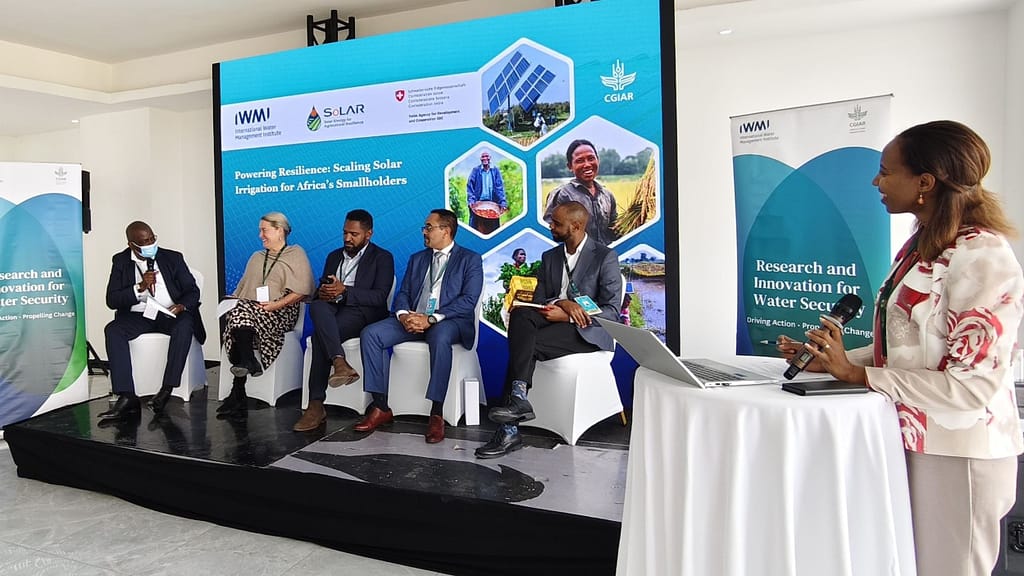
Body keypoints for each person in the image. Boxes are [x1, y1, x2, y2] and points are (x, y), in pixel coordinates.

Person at [776, 121, 1023, 576]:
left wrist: (858, 375)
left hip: (959, 452)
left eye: (886, 171)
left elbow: (971, 388)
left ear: (925, 182)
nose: (876, 182)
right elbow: (908, 347)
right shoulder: (922, 246)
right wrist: (837, 362)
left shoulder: (981, 255)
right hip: (910, 438)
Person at [476, 201, 622, 458]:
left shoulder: (604, 256)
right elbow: (541, 298)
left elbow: (611, 311)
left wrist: (569, 316)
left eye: (556, 223)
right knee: (521, 313)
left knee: (524, 345)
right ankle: (519, 398)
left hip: (586, 332)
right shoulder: (550, 257)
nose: (551, 226)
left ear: (575, 226)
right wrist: (561, 303)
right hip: (551, 319)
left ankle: (510, 428)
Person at [357, 209, 483, 444]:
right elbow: (404, 292)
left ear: (445, 230)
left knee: (440, 335)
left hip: (448, 322)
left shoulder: (470, 259)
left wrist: (432, 319)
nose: (424, 232)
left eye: (428, 227)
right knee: (371, 334)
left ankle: (436, 413)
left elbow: (468, 301)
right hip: (413, 319)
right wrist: (404, 316)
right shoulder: (418, 258)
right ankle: (381, 406)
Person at [293, 209, 394, 432]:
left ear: (369, 234)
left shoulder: (382, 257)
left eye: (354, 234)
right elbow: (323, 287)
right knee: (318, 305)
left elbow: (379, 296)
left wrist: (345, 292)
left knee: (321, 336)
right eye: (345, 233)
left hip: (363, 312)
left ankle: (316, 405)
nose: (348, 238)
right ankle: (339, 363)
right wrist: (326, 292)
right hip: (332, 309)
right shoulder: (334, 256)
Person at [100, 221, 206, 420]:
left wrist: (181, 306)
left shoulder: (172, 258)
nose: (150, 243)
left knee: (185, 324)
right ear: (132, 245)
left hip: (170, 314)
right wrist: (139, 287)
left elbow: (192, 291)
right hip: (139, 315)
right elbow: (112, 300)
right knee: (113, 330)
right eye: (145, 241)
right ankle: (126, 396)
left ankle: (166, 390)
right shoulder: (120, 261)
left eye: (152, 239)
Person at [219, 212, 315, 418]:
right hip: (253, 312)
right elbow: (243, 289)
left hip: (281, 313)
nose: (260, 235)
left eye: (264, 230)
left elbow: (302, 291)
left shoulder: (295, 254)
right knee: (238, 313)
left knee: (238, 317)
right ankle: (245, 369)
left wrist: (275, 305)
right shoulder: (256, 257)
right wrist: (232, 299)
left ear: (280, 230)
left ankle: (239, 389)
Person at [543, 139, 618, 246]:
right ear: (570, 166)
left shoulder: (607, 195)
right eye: (580, 161)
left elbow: (614, 230)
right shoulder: (562, 194)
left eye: (591, 158)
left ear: (598, 160)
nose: (587, 165)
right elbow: (550, 234)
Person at [465, 150, 507, 234]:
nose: (485, 158)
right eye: (483, 157)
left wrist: (502, 202)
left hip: (492, 204)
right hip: (478, 203)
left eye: (486, 156)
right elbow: (470, 186)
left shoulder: (495, 171)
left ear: (490, 158)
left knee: (494, 230)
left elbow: (499, 187)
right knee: (475, 228)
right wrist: (471, 200)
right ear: (480, 159)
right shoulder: (476, 171)